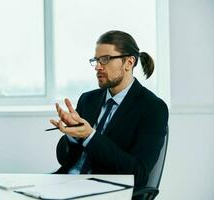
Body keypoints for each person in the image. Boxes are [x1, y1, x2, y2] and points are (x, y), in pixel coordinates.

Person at [50, 30, 169, 190]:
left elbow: (138, 173)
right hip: (66, 183)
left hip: (105, 191)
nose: (98, 67)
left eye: (105, 59)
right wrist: (72, 135)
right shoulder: (88, 99)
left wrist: (89, 136)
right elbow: (64, 159)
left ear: (129, 62)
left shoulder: (153, 108)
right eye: (96, 60)